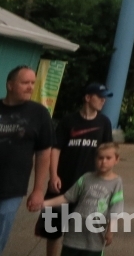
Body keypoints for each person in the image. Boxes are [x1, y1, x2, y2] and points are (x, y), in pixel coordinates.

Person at [36, 83, 114, 256]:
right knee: (53, 230)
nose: (103, 100)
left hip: (90, 187)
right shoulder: (68, 121)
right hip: (63, 183)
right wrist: (54, 174)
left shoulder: (104, 123)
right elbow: (55, 149)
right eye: (99, 96)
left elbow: (109, 152)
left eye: (105, 97)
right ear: (87, 98)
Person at [0, 65, 54, 253]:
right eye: (25, 82)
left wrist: (38, 190)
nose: (31, 87)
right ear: (10, 85)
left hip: (11, 188)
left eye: (33, 83)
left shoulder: (39, 114)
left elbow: (43, 153)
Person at [42, 142, 124, 256]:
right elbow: (68, 197)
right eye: (100, 158)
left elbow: (115, 209)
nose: (103, 161)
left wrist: (111, 230)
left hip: (95, 238)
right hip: (74, 235)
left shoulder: (116, 182)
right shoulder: (86, 178)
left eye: (108, 158)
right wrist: (44, 203)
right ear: (95, 159)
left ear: (116, 160)